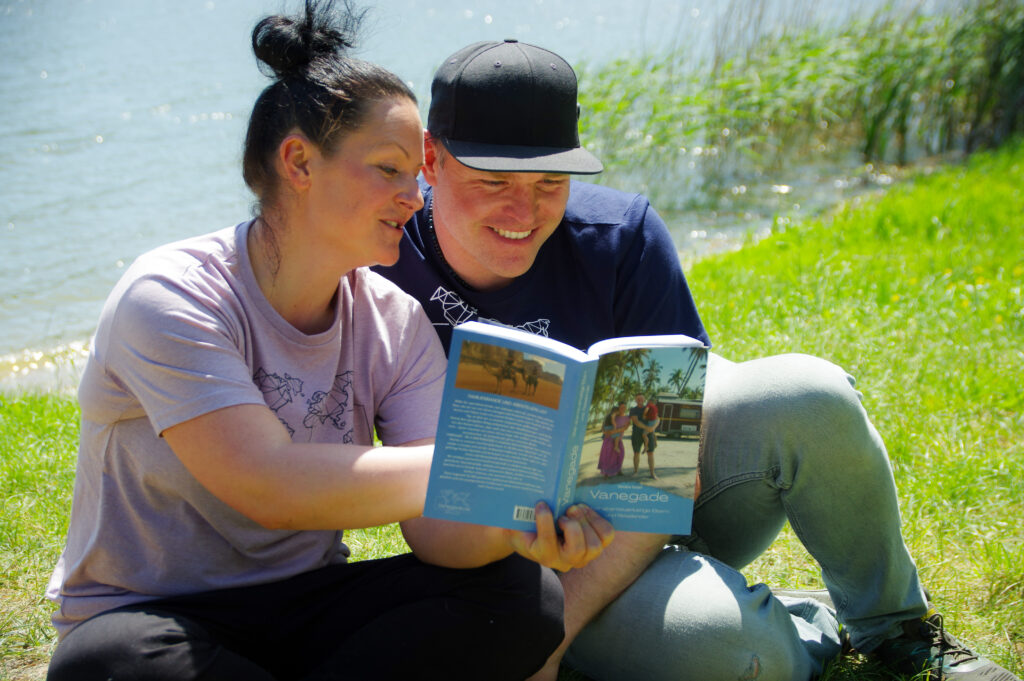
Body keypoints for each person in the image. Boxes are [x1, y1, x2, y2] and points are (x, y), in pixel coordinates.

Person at [374, 38, 1021, 681]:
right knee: (732, 653)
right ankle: (792, 622)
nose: (524, 211)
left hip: (643, 514)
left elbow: (658, 472)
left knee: (811, 394)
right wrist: (533, 622)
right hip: (495, 568)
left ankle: (896, 630)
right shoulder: (382, 260)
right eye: (494, 181)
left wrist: (553, 634)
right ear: (431, 159)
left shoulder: (621, 236)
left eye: (551, 182)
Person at [44, 13, 613, 681]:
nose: (414, 195)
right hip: (159, 616)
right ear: (299, 162)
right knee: (108, 662)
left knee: (521, 592)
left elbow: (439, 534)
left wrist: (520, 518)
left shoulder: (394, 321)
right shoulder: (170, 293)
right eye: (389, 170)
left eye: (415, 173)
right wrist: (502, 458)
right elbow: (269, 483)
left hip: (308, 608)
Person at [597, 402, 630, 477]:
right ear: (618, 409)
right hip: (609, 439)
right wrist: (605, 432)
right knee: (608, 456)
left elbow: (625, 428)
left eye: (624, 407)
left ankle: (618, 470)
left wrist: (613, 431)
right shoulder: (614, 415)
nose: (623, 409)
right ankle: (606, 473)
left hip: (618, 439)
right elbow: (604, 426)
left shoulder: (627, 418)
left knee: (620, 454)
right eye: (621, 407)